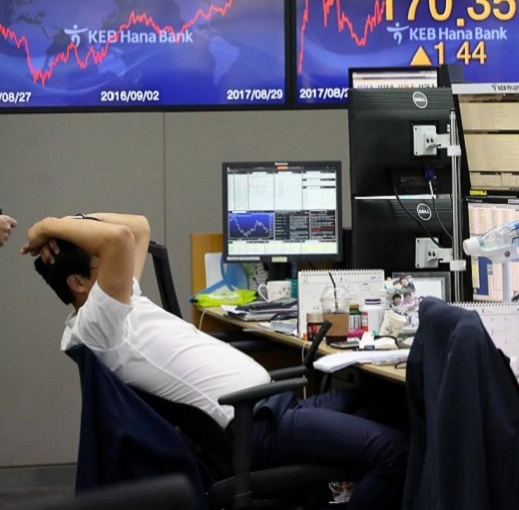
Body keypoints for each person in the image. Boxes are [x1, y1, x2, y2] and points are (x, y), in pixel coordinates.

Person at [21, 212, 407, 510]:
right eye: (101, 262)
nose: (114, 264)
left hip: (271, 406)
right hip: (255, 429)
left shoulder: (118, 302)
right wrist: (49, 225)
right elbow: (119, 238)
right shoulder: (97, 326)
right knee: (393, 452)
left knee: (390, 403)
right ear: (77, 284)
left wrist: (65, 227)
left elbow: (137, 226)